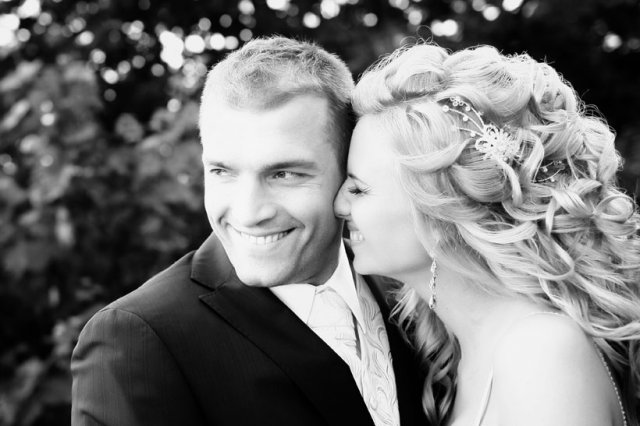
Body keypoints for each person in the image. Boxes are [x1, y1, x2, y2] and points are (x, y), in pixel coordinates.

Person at [71, 36, 428, 426]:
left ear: (347, 172)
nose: (249, 212)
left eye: (284, 174)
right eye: (222, 172)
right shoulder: (138, 341)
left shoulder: (410, 291)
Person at [334, 42, 640, 426]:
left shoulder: (541, 353)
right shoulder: (467, 353)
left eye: (358, 189)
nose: (338, 205)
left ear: (440, 210)